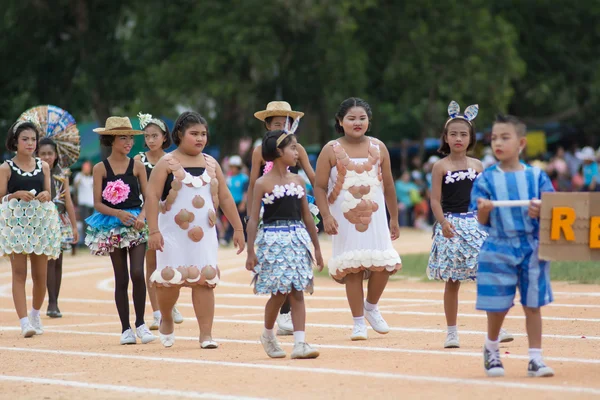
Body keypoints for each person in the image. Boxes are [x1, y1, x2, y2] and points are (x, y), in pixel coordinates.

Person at [146, 111, 245, 349]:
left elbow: (225, 197)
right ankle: (167, 318)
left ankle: (206, 335)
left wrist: (239, 228)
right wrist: (153, 231)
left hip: (205, 235)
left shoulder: (211, 164)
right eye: (194, 134)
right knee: (170, 281)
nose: (200, 138)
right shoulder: (166, 163)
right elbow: (151, 196)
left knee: (205, 280)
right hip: (171, 235)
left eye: (203, 134)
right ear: (179, 134)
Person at [470, 114, 555, 378]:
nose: (498, 142)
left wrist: (540, 211)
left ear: (521, 143)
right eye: (494, 137)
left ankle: (535, 358)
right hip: (497, 248)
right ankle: (492, 347)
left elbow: (553, 210)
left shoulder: (536, 177)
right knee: (498, 305)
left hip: (531, 248)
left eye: (505, 137)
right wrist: (484, 210)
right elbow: (480, 219)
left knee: (533, 304)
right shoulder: (485, 180)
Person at [313, 97, 401, 341]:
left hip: (376, 218)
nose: (357, 122)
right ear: (340, 122)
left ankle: (371, 307)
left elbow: (390, 185)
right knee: (352, 269)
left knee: (383, 264)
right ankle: (358, 322)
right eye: (351, 118)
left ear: (369, 122)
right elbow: (319, 187)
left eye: (362, 118)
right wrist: (326, 216)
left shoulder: (379, 147)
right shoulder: (330, 149)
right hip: (343, 219)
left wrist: (394, 217)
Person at [427, 101, 513, 348]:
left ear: (471, 138)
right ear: (445, 137)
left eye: (463, 134)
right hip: (451, 225)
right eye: (453, 133)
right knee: (452, 281)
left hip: (476, 225)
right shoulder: (440, 166)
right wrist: (442, 222)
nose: (458, 138)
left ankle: (496, 327)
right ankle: (452, 332)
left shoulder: (478, 165)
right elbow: (434, 199)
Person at [245, 129, 323, 359]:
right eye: (293, 147)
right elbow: (252, 220)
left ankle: (300, 344)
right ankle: (268, 334)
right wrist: (250, 251)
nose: (297, 152)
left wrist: (317, 248)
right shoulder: (262, 183)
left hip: (297, 237)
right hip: (273, 239)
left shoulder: (298, 181)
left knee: (297, 290)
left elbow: (307, 216)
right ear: (278, 152)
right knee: (279, 293)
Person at [85, 116, 155, 345]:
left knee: (137, 272)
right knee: (121, 277)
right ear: (110, 140)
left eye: (130, 138)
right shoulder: (99, 168)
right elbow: (97, 203)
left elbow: (149, 197)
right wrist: (118, 214)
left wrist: (141, 217)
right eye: (122, 138)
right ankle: (126, 328)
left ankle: (141, 324)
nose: (128, 142)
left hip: (136, 225)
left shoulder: (137, 166)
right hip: (113, 225)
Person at [0, 116, 62, 337]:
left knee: (40, 276)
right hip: (16, 226)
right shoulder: (6, 168)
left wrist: (47, 194)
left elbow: (49, 195)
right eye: (25, 139)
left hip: (40, 225)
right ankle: (24, 322)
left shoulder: (43, 166)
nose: (30, 143)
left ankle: (36, 314)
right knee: (19, 273)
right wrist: (14, 195)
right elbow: (0, 197)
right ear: (15, 141)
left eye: (33, 139)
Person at [134, 112, 184, 329]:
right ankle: (156, 312)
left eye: (155, 136)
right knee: (151, 264)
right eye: (147, 136)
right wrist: (145, 213)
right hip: (148, 214)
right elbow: (145, 192)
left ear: (165, 137)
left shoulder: (173, 159)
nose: (151, 140)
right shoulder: (138, 160)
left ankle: (170, 303)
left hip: (171, 214)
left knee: (174, 260)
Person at [38, 138, 79, 318]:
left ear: (55, 155)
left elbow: (68, 201)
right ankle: (51, 302)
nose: (47, 157)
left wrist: (75, 226)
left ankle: (54, 302)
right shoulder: (35, 173)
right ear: (37, 155)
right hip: (42, 221)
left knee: (59, 261)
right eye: (43, 153)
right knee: (49, 262)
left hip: (60, 221)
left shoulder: (62, 174)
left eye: (50, 153)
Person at [224, 155, 249, 244]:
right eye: (231, 167)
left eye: (234, 167)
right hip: (232, 203)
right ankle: (227, 239)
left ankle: (246, 239)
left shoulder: (244, 178)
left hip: (240, 202)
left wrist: (243, 203)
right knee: (231, 220)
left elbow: (245, 192)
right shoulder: (228, 179)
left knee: (243, 221)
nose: (233, 169)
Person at [73, 160, 94, 245]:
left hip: (91, 202)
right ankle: (85, 241)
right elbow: (75, 185)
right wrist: (82, 174)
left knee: (91, 223)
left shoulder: (92, 177)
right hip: (83, 202)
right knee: (85, 222)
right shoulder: (79, 176)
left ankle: (91, 240)